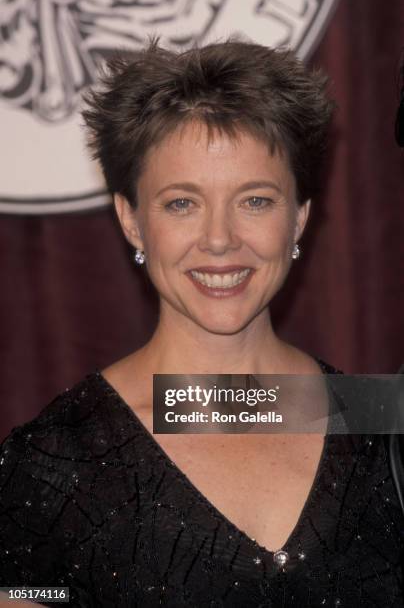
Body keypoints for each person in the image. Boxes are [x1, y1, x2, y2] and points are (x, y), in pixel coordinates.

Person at [0, 37, 403, 607]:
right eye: (181, 203)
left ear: (299, 219)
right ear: (133, 220)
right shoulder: (53, 467)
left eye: (256, 200)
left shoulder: (386, 429)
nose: (220, 240)